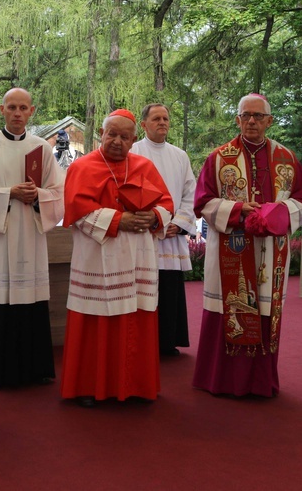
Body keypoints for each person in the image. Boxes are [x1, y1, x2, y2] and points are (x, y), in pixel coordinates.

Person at [60, 108, 173, 407]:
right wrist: (118, 221)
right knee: (95, 319)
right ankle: (88, 386)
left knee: (136, 317)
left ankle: (135, 385)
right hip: (97, 256)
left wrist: (152, 218)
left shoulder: (144, 166)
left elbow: (166, 204)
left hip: (137, 257)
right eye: (112, 134)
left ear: (134, 140)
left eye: (125, 137)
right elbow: (77, 210)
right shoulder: (82, 167)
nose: (117, 142)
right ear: (101, 132)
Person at [192, 93, 302, 398]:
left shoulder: (287, 159)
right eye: (245, 116)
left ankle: (259, 381)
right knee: (228, 308)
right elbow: (201, 202)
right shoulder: (218, 157)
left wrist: (278, 213)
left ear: (269, 120)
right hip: (232, 244)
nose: (251, 121)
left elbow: (300, 200)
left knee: (265, 310)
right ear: (238, 120)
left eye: (258, 116)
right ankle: (222, 380)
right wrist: (238, 210)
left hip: (271, 251)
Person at [0, 88, 65, 389]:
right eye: (12, 107)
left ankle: (34, 369)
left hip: (29, 232)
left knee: (29, 300)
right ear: (2, 110)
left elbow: (58, 193)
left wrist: (39, 196)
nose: (18, 113)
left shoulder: (42, 148)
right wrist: (9, 193)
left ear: (32, 111)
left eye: (23, 108)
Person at [131, 103, 196, 356]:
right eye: (156, 118)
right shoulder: (133, 152)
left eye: (166, 118)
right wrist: (150, 221)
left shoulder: (180, 155)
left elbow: (190, 193)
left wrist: (178, 224)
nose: (163, 123)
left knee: (168, 289)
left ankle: (167, 341)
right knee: (142, 287)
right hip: (143, 233)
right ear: (144, 124)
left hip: (170, 236)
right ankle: (141, 342)